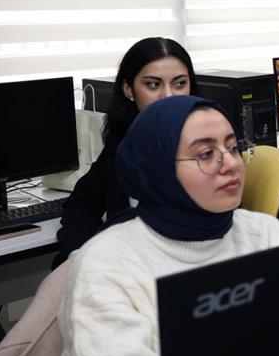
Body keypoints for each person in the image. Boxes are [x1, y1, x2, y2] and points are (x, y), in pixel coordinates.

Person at [40, 96, 279, 356]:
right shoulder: (106, 263)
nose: (230, 163)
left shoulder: (263, 233)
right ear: (157, 167)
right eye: (206, 154)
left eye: (233, 147)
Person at [56, 37, 197, 265]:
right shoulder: (124, 141)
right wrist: (85, 254)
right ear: (128, 89)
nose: (168, 96)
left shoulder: (209, 143)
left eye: (179, 83)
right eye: (154, 85)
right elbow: (82, 203)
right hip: (124, 264)